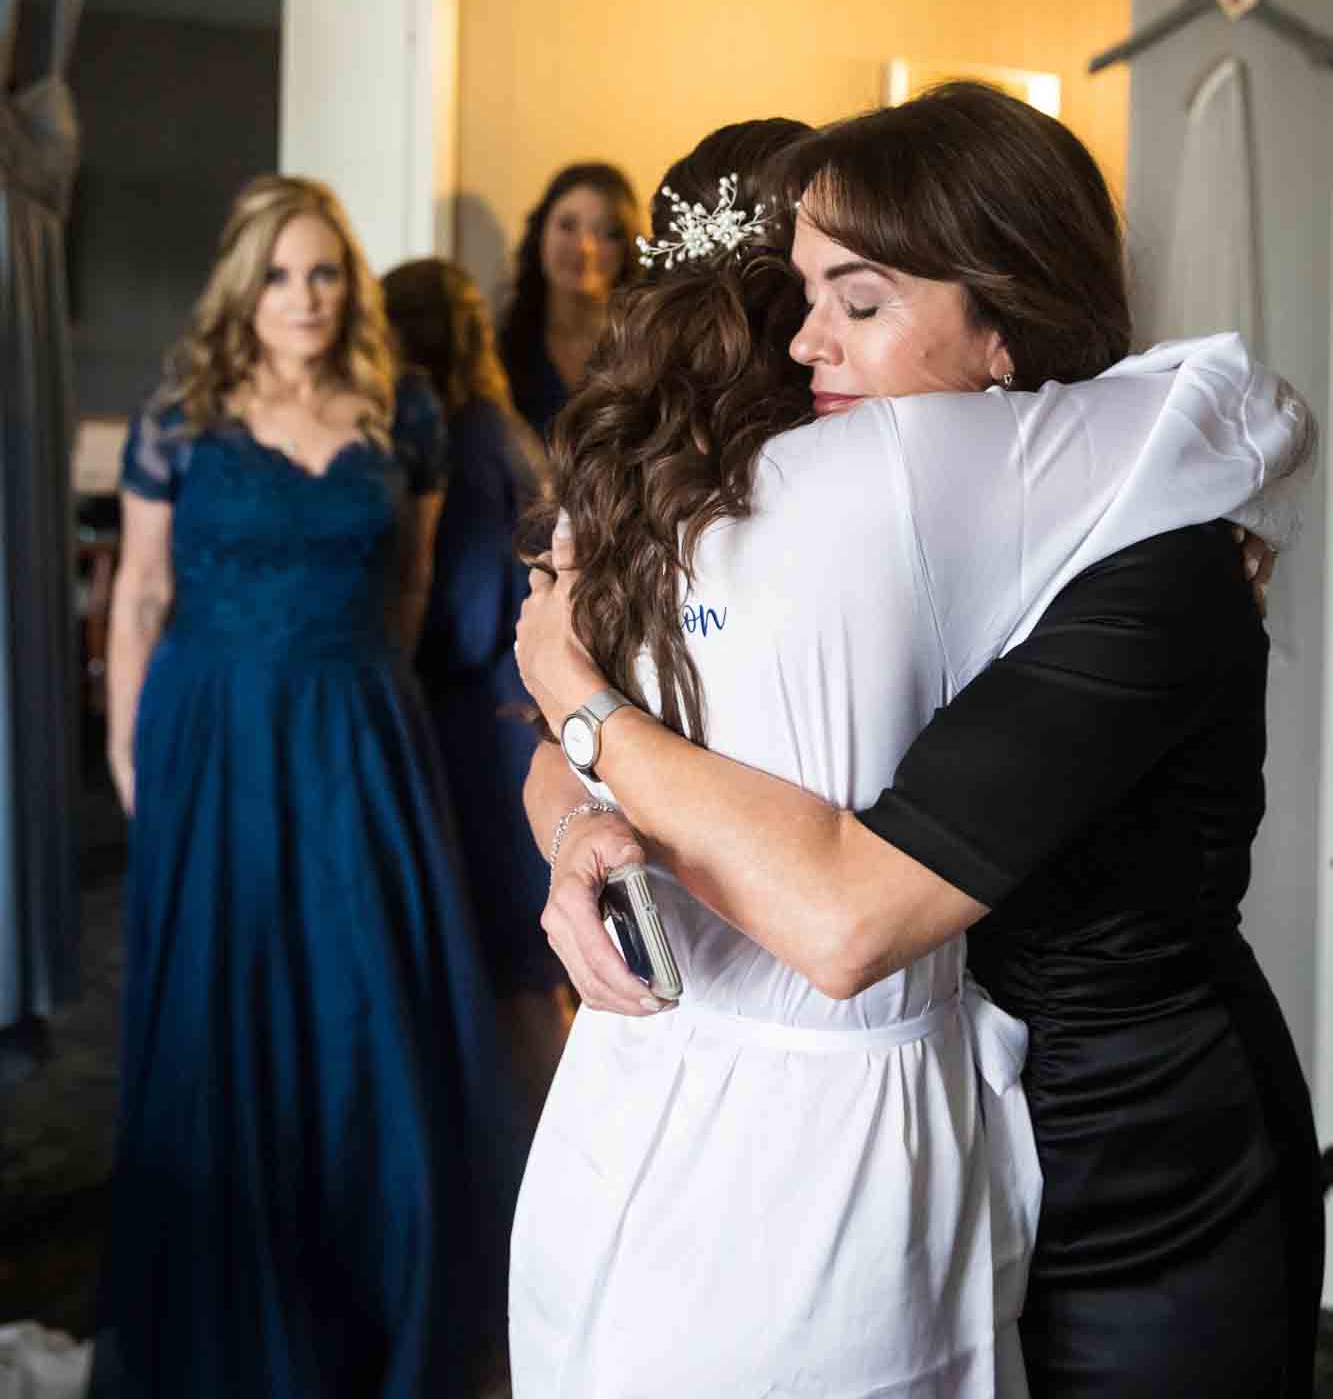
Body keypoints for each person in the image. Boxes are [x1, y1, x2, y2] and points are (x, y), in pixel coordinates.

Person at [509, 100, 1315, 1399]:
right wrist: (581, 822)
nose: (803, 336)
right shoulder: (837, 508)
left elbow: (842, 915)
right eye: (804, 289)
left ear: (999, 328)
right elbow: (611, 768)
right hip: (957, 1124)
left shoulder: (1156, 564)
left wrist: (580, 700)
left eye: (858, 300)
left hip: (1137, 1155)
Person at [97, 176, 518, 1399]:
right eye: (280, 273)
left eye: (326, 271)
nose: (306, 296)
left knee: (364, 1005)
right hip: (208, 729)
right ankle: (230, 1303)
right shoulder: (182, 408)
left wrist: (362, 698)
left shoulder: (408, 409)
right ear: (244, 281)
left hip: (353, 728)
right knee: (221, 1002)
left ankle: (370, 1295)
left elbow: (412, 584)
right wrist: (130, 749)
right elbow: (136, 593)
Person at [382, 255, 573, 1122]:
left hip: (480, 732)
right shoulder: (507, 430)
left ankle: (543, 1165)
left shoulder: (461, 444)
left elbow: (458, 619)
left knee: (516, 973)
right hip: (522, 716)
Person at [498, 161, 641, 439]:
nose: (584, 247)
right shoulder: (501, 352)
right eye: (567, 226)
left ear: (627, 248)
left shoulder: (647, 353)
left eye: (607, 233)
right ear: (540, 232)